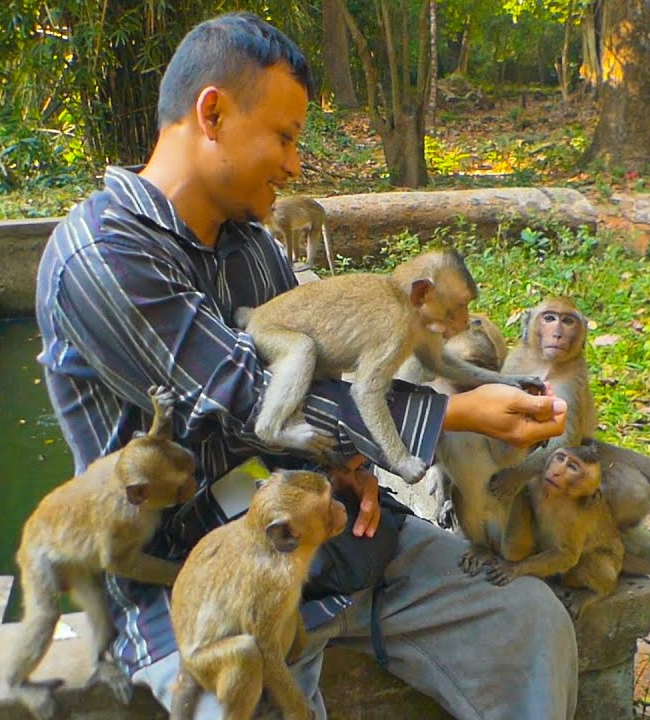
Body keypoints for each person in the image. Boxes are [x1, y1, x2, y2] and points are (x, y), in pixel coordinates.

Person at [35, 11, 578, 719]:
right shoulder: (101, 256)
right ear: (212, 114)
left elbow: (317, 395)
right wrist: (450, 411)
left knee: (529, 622)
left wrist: (348, 470)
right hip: (193, 584)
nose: (295, 166)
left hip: (330, 545)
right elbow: (239, 395)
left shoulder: (253, 248)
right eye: (286, 137)